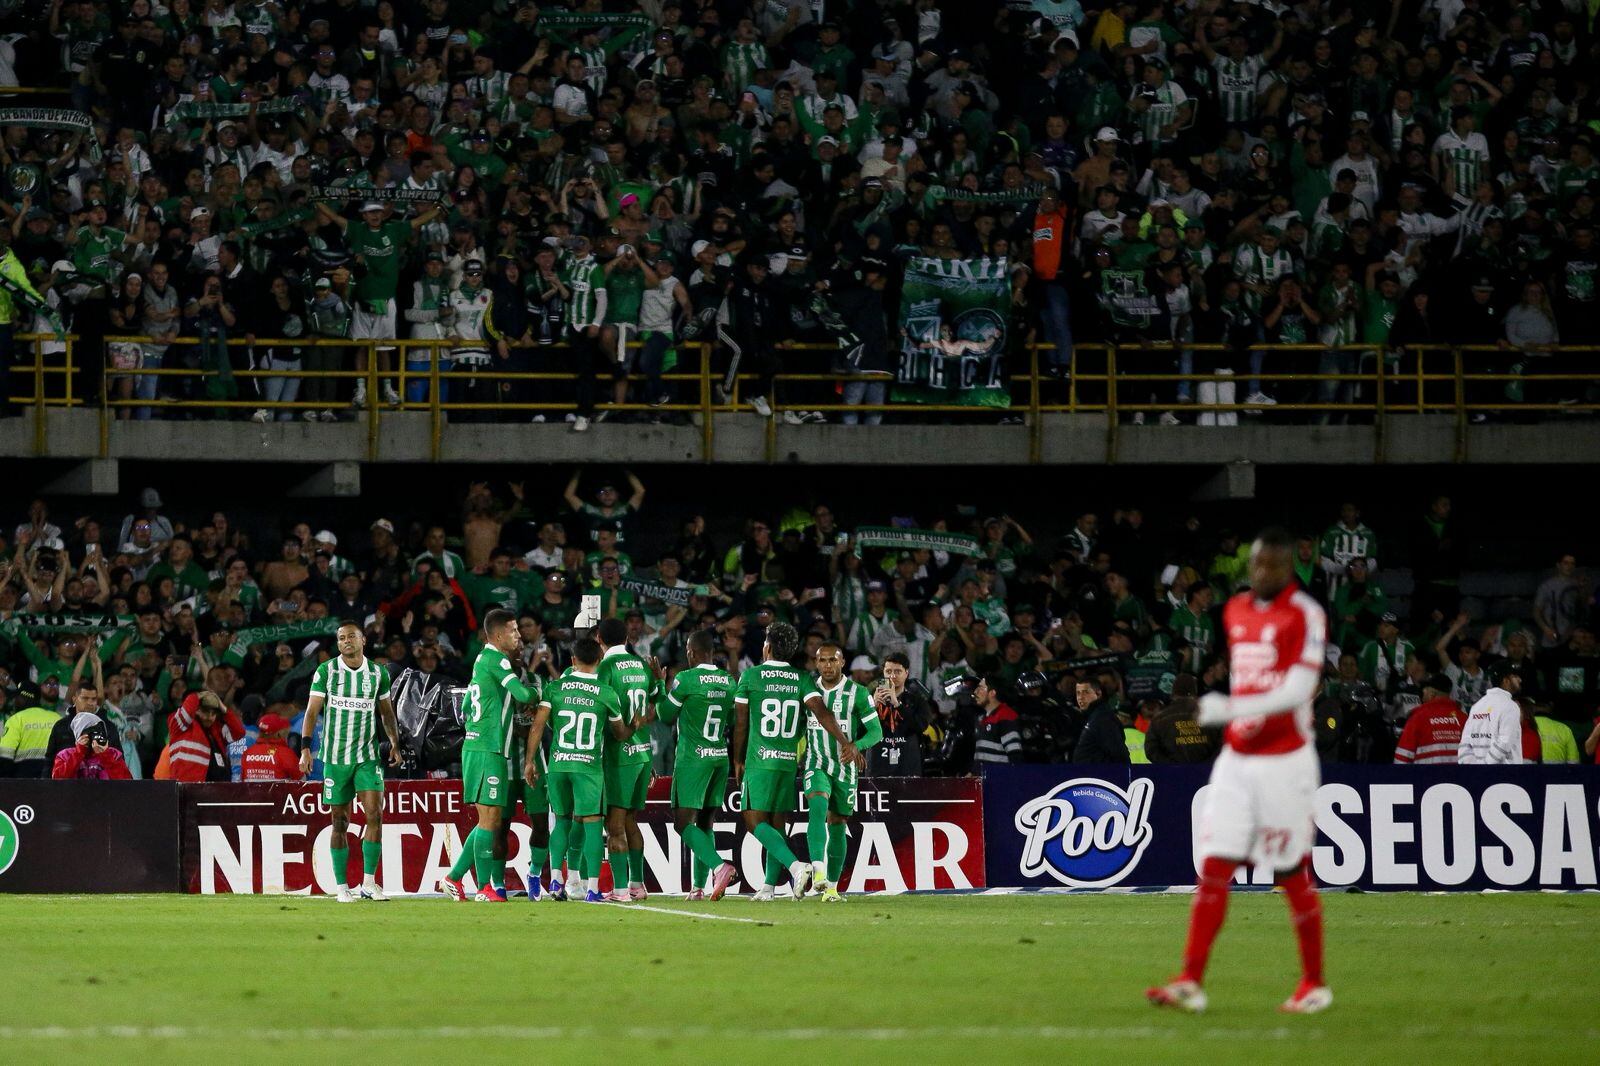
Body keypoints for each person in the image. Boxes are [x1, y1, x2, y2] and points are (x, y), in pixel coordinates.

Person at [1148, 528, 1330, 1015]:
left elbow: (1297, 689)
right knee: (1215, 867)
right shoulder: (1235, 610)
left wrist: (1227, 708)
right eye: (1256, 565)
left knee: (1290, 870)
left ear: (1288, 568)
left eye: (1271, 565)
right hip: (1236, 758)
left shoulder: (1306, 614)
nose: (1261, 573)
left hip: (1286, 759)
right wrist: (1235, 717)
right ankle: (1190, 979)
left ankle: (1313, 982)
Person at [732, 620, 859, 901]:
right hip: (788, 762)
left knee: (753, 822)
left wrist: (737, 760)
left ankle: (795, 866)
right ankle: (767, 887)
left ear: (766, 648)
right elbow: (823, 713)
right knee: (777, 825)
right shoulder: (802, 679)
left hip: (759, 760)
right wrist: (844, 741)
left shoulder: (750, 677)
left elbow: (740, 723)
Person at [297, 621, 402, 902]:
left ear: (363, 640)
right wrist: (306, 749)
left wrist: (394, 742)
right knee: (340, 821)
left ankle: (369, 883)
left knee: (375, 815)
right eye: (341, 638)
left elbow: (386, 713)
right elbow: (311, 712)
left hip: (367, 757)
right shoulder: (326, 672)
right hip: (335, 758)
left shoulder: (377, 673)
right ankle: (342, 887)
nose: (346, 642)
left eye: (351, 637)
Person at [525, 636, 633, 904]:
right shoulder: (607, 693)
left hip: (559, 764)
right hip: (588, 768)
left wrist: (530, 761)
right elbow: (619, 733)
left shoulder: (555, 688)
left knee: (561, 822)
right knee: (593, 827)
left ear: (572, 660)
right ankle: (593, 889)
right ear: (599, 661)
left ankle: (555, 881)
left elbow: (538, 726)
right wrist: (633, 726)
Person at [439, 609, 537, 903]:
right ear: (497, 635)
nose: (518, 636)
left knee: (489, 820)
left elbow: (468, 703)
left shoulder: (482, 661)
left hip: (482, 746)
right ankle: (483, 888)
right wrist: (539, 697)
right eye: (513, 631)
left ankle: (453, 878)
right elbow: (521, 694)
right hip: (487, 749)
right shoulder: (497, 659)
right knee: (489, 820)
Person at [659, 629, 740, 901]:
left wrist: (660, 687)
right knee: (705, 824)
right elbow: (730, 719)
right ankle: (697, 887)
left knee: (683, 825)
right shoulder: (728, 681)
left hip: (694, 759)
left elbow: (665, 715)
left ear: (691, 652)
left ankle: (719, 867)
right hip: (719, 757)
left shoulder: (686, 679)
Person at [804, 642, 883, 902]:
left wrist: (856, 746)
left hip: (845, 769)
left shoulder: (857, 693)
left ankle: (832, 889)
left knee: (837, 825)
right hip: (817, 762)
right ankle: (818, 870)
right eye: (822, 660)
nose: (827, 665)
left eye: (832, 660)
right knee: (817, 804)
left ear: (842, 662)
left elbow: (876, 732)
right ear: (816, 663)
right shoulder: (808, 690)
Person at [596, 616, 657, 902]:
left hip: (619, 754)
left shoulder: (606, 666)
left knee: (615, 825)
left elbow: (598, 705)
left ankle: (620, 890)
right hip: (643, 752)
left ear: (599, 639)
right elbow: (657, 696)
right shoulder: (640, 664)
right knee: (631, 820)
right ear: (627, 639)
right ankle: (637, 885)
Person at [866, 650, 929, 776]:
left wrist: (897, 705)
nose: (892, 676)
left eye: (897, 671)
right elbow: (859, 730)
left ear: (906, 673)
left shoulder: (917, 700)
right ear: (883, 673)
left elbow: (920, 726)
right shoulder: (869, 699)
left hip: (907, 766)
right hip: (877, 766)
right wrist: (873, 707)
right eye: (888, 671)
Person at [1458, 661, 1526, 765]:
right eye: (1515, 676)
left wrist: (1472, 769)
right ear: (1506, 680)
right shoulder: (1510, 706)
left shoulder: (1477, 706)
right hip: (1505, 775)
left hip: (1476, 776)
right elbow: (1505, 742)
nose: (1519, 680)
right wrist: (1487, 768)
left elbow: (1464, 744)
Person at [1392, 675, 1465, 765]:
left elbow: (1402, 758)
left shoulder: (1418, 718)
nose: (1422, 695)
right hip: (1459, 777)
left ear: (1432, 694)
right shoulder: (1464, 719)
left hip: (1426, 777)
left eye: (1424, 691)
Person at [51, 711, 132, 780]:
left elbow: (126, 781)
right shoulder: (65, 755)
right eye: (91, 732)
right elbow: (57, 781)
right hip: (75, 797)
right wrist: (79, 752)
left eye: (100, 731)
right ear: (80, 735)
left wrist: (105, 755)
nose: (96, 735)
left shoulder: (114, 754)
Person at [1072, 675, 1128, 764]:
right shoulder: (1093, 716)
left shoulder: (1103, 719)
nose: (1080, 697)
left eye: (1085, 692)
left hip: (1099, 776)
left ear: (1098, 694)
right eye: (1078, 693)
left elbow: (1119, 754)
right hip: (1088, 775)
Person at [972, 672, 1022, 766]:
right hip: (985, 778)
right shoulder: (982, 718)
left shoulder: (1006, 716)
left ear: (992, 693)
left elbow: (1015, 755)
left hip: (998, 778)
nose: (975, 692)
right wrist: (973, 772)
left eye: (980, 688)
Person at [240, 712, 304, 782]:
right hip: (278, 793)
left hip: (250, 792)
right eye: (285, 731)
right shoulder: (286, 754)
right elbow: (301, 780)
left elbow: (242, 779)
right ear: (278, 734)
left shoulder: (248, 753)